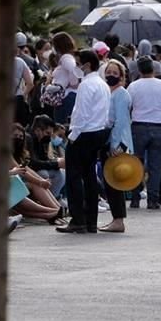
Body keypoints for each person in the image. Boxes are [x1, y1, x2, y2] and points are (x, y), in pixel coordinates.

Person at [58, 49, 111, 233]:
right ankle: (90, 220)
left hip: (84, 133)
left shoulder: (87, 85)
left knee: (74, 178)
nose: (77, 67)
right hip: (98, 132)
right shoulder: (102, 84)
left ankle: (78, 219)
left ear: (87, 65)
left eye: (79, 63)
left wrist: (73, 136)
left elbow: (82, 113)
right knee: (89, 177)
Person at [128, 55, 161, 209]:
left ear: (139, 70)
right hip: (158, 127)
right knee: (156, 166)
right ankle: (153, 200)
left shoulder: (133, 86)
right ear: (153, 68)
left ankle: (135, 197)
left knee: (136, 164)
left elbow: (129, 107)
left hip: (138, 127)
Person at [100, 59, 130, 232]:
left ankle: (118, 220)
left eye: (115, 73)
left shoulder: (122, 94)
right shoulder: (106, 91)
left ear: (121, 76)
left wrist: (116, 145)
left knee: (114, 182)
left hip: (116, 144)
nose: (111, 75)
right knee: (109, 181)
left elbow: (121, 122)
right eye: (108, 72)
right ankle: (115, 219)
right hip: (106, 140)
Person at [26, 114, 66, 199]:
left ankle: (54, 198)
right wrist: (56, 163)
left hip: (36, 168)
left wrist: (57, 162)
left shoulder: (42, 139)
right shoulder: (28, 139)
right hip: (27, 171)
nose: (49, 136)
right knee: (43, 174)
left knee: (60, 174)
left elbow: (44, 158)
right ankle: (43, 200)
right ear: (38, 130)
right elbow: (33, 163)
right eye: (47, 133)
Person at [49, 32, 83, 125]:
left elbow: (73, 72)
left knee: (62, 125)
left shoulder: (66, 58)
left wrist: (72, 83)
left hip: (66, 97)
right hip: (66, 97)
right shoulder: (67, 58)